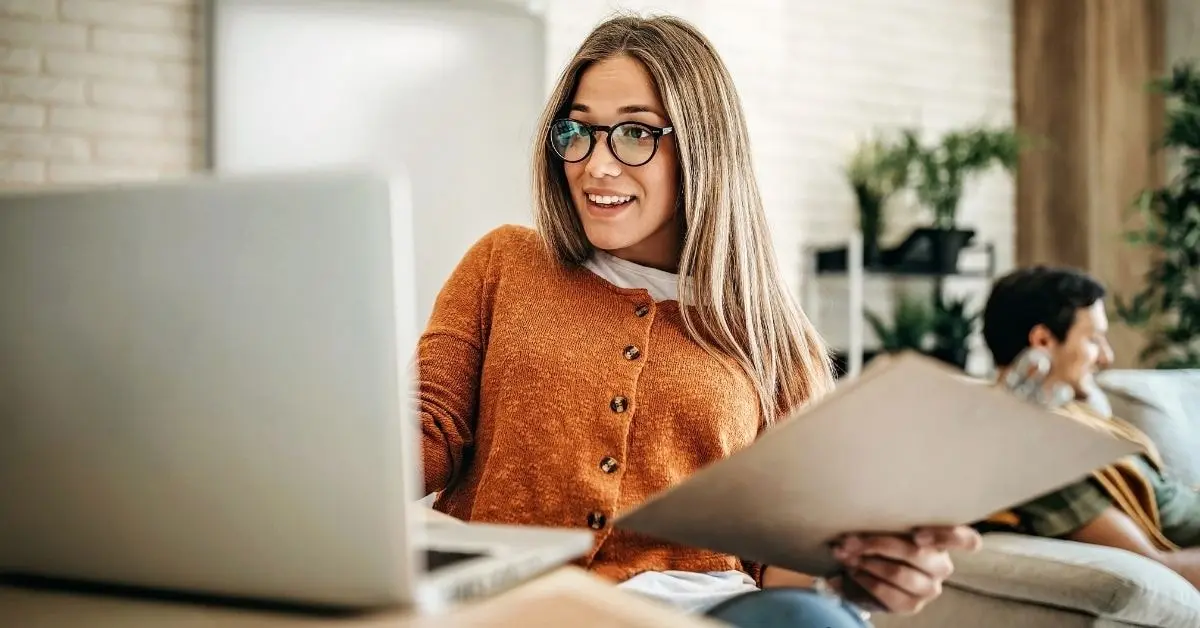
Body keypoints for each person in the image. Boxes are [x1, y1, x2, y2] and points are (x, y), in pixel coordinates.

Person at [418, 14, 981, 626]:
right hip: (517, 603)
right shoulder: (505, 263)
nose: (596, 165)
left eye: (634, 133)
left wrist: (860, 574)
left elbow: (780, 567)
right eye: (577, 130)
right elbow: (428, 430)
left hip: (698, 612)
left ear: (701, 147)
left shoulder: (772, 341)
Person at [979, 265, 1200, 590]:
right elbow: (1158, 571)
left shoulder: (1068, 420)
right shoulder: (1038, 455)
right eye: (1094, 339)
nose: (1107, 357)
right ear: (1042, 340)